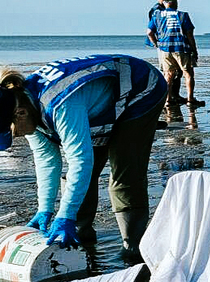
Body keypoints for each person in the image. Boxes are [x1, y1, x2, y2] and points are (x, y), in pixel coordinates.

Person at [0, 56, 168, 263]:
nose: (16, 137)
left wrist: (65, 215)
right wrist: (45, 208)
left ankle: (133, 249)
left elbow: (80, 160)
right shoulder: (24, 103)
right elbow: (46, 162)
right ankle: (81, 242)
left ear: (20, 113)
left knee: (124, 175)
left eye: (12, 132)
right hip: (96, 104)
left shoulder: (60, 104)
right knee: (79, 178)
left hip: (141, 90)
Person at [146, 0, 204, 107]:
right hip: (181, 48)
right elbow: (189, 35)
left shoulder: (157, 15)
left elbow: (149, 32)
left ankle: (168, 100)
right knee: (188, 74)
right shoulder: (183, 15)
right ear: (174, 2)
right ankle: (190, 99)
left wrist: (156, 44)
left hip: (165, 49)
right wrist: (194, 50)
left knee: (168, 75)